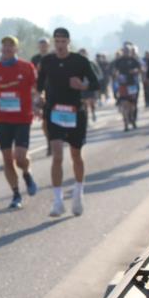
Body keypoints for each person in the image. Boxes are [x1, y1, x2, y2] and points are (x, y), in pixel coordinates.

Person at [37, 28, 99, 217]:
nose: (60, 45)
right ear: (53, 43)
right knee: (57, 155)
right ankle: (57, 201)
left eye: (63, 41)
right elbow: (39, 85)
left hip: (75, 112)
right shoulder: (47, 61)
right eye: (57, 41)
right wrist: (38, 97)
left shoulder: (80, 61)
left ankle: (78, 194)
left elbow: (96, 83)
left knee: (76, 155)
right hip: (54, 112)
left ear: (69, 42)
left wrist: (83, 85)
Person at [0, 36, 39, 209]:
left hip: (23, 118)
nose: (7, 48)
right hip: (3, 119)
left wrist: (39, 103)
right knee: (8, 160)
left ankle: (27, 173)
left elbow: (36, 90)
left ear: (16, 49)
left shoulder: (27, 67)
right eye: (5, 46)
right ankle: (16, 194)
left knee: (20, 157)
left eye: (11, 46)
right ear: (1, 49)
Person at [112, 42, 143, 131]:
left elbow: (141, 69)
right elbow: (114, 71)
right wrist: (116, 75)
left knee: (132, 105)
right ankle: (125, 123)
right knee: (124, 104)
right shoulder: (119, 61)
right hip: (123, 85)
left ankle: (132, 118)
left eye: (128, 50)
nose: (126, 52)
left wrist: (135, 71)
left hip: (132, 85)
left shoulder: (134, 60)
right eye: (125, 50)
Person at [31, 37, 52, 155]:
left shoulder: (53, 57)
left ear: (48, 46)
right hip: (40, 92)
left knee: (52, 120)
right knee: (44, 122)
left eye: (45, 44)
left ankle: (55, 140)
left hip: (53, 91)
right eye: (41, 44)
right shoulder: (34, 59)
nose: (43, 46)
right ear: (38, 46)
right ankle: (49, 142)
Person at [79, 48, 102, 122]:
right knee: (84, 103)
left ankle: (93, 113)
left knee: (92, 102)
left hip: (90, 86)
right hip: (81, 86)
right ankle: (86, 118)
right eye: (81, 53)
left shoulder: (92, 63)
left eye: (84, 53)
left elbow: (99, 74)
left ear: (86, 54)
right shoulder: (76, 64)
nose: (82, 55)